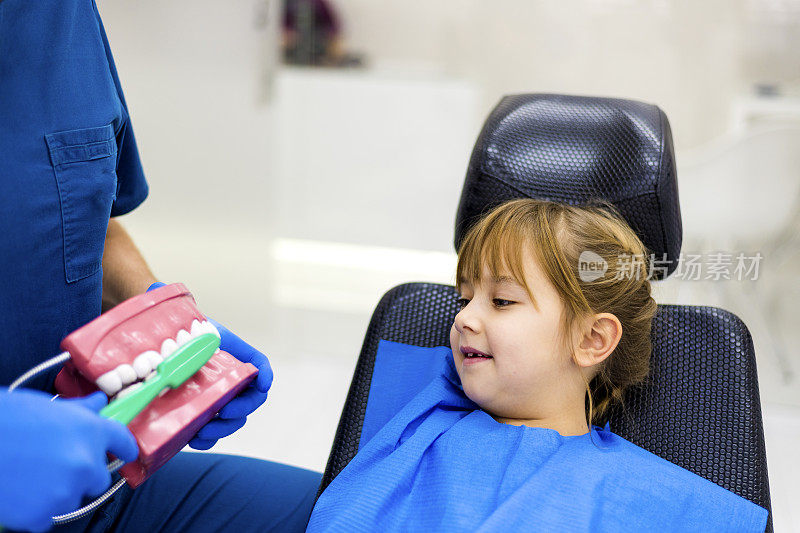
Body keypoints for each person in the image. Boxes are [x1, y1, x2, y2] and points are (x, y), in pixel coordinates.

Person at [0, 1, 321, 531]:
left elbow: (78, 216)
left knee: (365, 511)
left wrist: (156, 322)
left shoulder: (63, 17)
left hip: (91, 488)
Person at [306, 199, 769, 531]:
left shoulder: (657, 500)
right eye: (463, 298)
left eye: (502, 300)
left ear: (591, 339)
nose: (463, 318)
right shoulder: (422, 417)